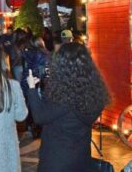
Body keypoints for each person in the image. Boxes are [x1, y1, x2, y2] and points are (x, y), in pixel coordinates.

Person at [26, 43, 110, 172]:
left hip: (57, 160)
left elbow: (39, 117)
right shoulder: (93, 92)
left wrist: (32, 89)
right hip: (81, 158)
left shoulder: (64, 97)